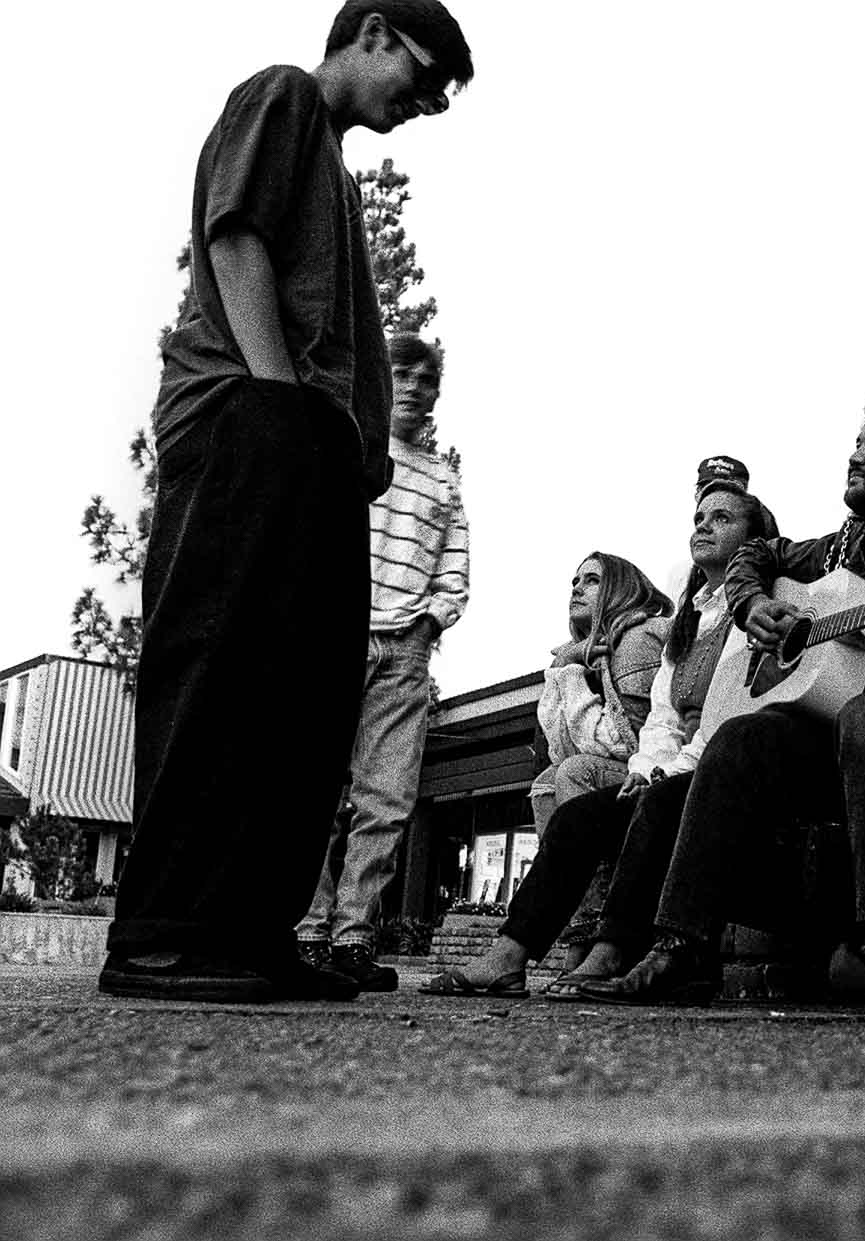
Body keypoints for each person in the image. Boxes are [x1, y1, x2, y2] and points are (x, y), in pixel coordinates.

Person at [99, 2, 474, 1004]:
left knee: (295, 698)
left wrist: (340, 444)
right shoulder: (285, 94)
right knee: (223, 668)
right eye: (427, 78)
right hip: (247, 424)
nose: (424, 104)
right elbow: (236, 239)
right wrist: (278, 407)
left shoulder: (335, 166)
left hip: (302, 450)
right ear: (379, 33)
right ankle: (166, 935)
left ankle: (249, 927)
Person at [578, 389, 865, 1014]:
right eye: (857, 441)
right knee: (747, 734)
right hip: (853, 766)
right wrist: (752, 603)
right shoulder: (844, 549)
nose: (856, 454)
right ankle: (680, 948)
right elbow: (756, 553)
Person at [420, 484, 780, 998]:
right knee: (577, 817)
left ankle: (611, 948)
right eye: (699, 517)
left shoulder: (754, 611)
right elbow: (662, 717)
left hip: (716, 773)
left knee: (626, 793)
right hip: (670, 766)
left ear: (753, 539)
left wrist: (660, 771)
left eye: (721, 519)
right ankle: (509, 954)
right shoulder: (690, 618)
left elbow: (730, 713)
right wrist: (645, 765)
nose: (701, 526)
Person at [295, 334, 469, 991]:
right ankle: (307, 931)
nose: (416, 387)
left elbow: (455, 566)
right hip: (336, 633)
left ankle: (352, 937)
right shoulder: (352, 447)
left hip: (404, 650)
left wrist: (430, 623)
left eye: (428, 378)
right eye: (402, 373)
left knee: (386, 796)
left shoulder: (443, 477)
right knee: (318, 785)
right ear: (381, 377)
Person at [527, 552, 674, 834]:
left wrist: (567, 671)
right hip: (626, 776)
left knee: (576, 771)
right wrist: (563, 664)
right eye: (575, 581)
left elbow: (631, 744)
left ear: (620, 590)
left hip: (659, 774)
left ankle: (595, 876)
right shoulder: (583, 655)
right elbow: (559, 751)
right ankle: (558, 874)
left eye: (592, 580)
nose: (577, 588)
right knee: (549, 779)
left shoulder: (637, 639)